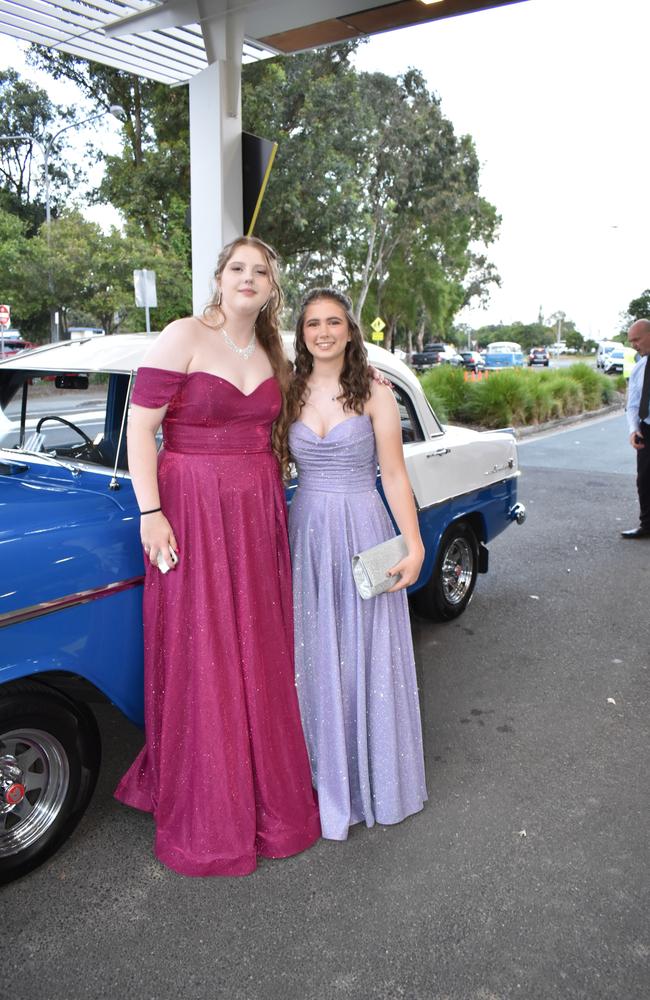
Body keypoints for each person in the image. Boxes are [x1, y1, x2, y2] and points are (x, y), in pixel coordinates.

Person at [114, 236, 320, 875]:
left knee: (255, 645)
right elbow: (139, 427)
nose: (249, 278)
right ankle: (208, 803)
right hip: (192, 507)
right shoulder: (181, 334)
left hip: (256, 511)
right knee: (202, 646)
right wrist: (151, 511)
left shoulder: (271, 350)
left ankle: (260, 794)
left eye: (261, 271)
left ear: (271, 286)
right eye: (239, 268)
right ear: (220, 277)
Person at [282, 287, 428, 841]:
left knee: (364, 653)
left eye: (334, 322)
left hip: (363, 528)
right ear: (302, 333)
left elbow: (393, 475)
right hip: (309, 534)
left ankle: (374, 779)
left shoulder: (373, 391)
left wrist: (412, 546)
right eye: (313, 323)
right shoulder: (287, 391)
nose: (323, 331)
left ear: (350, 331)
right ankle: (321, 778)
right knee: (314, 651)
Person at [621, 319, 650, 539]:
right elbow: (633, 404)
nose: (634, 345)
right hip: (646, 430)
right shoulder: (640, 367)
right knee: (644, 480)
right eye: (631, 341)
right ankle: (647, 525)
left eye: (637, 340)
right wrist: (633, 429)